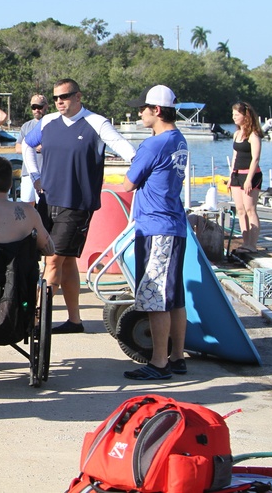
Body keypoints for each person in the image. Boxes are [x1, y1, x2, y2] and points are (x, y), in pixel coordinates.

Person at [21, 78, 136, 334]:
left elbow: (124, 148)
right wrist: (35, 176)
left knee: (52, 262)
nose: (59, 102)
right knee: (67, 261)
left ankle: (35, 321)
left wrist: (142, 169)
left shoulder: (97, 123)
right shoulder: (48, 122)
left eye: (65, 96)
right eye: (55, 98)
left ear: (78, 97)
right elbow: (27, 146)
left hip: (76, 205)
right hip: (47, 202)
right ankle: (74, 320)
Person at [121, 86, 190, 381]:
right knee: (174, 296)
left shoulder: (155, 144)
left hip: (155, 227)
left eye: (143, 108)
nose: (139, 113)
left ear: (157, 110)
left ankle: (159, 362)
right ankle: (177, 357)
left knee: (154, 295)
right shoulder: (179, 139)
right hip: (174, 225)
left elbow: (127, 184)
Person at [230, 102, 264, 254]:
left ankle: (252, 244)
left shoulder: (253, 135)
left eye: (237, 115)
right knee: (240, 210)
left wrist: (249, 179)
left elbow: (255, 158)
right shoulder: (236, 134)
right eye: (233, 115)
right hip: (237, 175)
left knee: (250, 209)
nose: (234, 117)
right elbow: (235, 155)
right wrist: (231, 176)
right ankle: (245, 242)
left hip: (250, 175)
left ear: (245, 116)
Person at [14, 94, 48, 203]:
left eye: (40, 107)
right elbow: (18, 148)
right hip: (28, 173)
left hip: (46, 173)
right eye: (34, 107)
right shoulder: (26, 126)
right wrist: (34, 147)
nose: (37, 110)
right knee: (26, 205)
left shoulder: (52, 123)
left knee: (43, 205)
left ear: (46, 107)